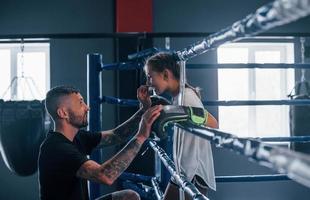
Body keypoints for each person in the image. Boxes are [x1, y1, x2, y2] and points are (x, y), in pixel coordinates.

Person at [38, 85, 162, 200]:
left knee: (129, 197)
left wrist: (144, 110)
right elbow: (105, 176)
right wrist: (141, 136)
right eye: (80, 103)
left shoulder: (76, 137)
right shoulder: (57, 148)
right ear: (63, 113)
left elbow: (117, 135)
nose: (87, 107)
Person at [144, 52, 218, 199]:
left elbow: (214, 123)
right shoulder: (178, 97)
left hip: (194, 172)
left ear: (165, 74)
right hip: (185, 169)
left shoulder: (187, 97)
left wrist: (182, 112)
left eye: (150, 76)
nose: (148, 82)